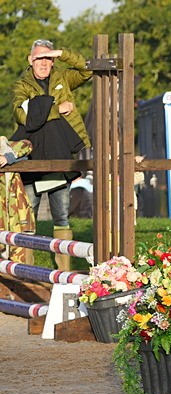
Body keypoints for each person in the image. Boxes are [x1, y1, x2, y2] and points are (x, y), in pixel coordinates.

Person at [12, 39, 93, 272]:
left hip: (61, 154)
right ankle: (24, 271)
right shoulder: (21, 84)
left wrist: (62, 53)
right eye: (39, 58)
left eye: (48, 58)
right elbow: (22, 116)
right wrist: (57, 110)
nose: (44, 62)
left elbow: (87, 69)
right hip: (33, 156)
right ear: (30, 60)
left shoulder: (63, 78)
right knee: (28, 218)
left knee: (62, 216)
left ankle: (64, 272)